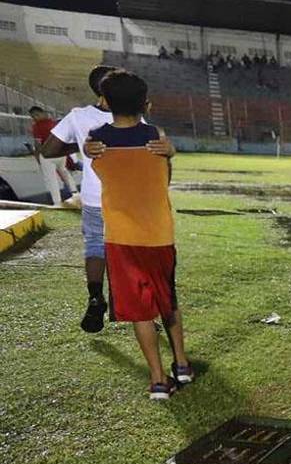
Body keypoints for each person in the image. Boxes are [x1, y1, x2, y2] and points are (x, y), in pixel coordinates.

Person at [84, 70, 192, 400]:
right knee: (167, 298)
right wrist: (170, 154)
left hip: (121, 238)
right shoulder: (156, 139)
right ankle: (183, 365)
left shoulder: (95, 142)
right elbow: (164, 180)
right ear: (146, 104)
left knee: (140, 310)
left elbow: (98, 166)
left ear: (104, 102)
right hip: (158, 234)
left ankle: (158, 380)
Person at [37, 65, 138, 332]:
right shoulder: (131, 114)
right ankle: (128, 304)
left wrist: (80, 144)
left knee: (95, 246)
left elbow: (48, 150)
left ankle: (96, 298)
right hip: (126, 197)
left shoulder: (79, 116)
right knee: (127, 248)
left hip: (94, 197)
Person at [27, 106, 77, 207]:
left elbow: (38, 144)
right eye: (33, 117)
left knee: (51, 178)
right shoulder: (54, 123)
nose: (35, 118)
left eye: (35, 115)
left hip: (47, 155)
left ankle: (57, 202)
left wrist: (38, 156)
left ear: (40, 113)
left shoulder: (37, 126)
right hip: (60, 154)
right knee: (64, 171)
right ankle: (75, 193)